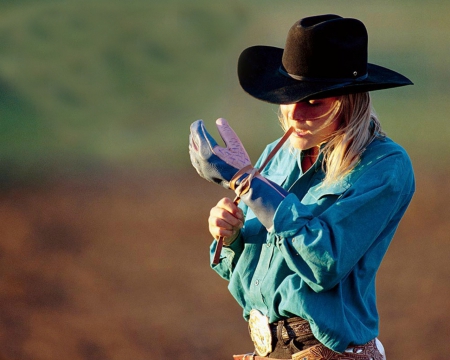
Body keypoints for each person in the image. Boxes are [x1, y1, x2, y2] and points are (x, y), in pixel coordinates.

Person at [189, 14, 414, 360]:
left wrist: (248, 183)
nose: (295, 114)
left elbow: (324, 262)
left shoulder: (385, 166)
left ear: (348, 100)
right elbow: (252, 279)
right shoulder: (273, 157)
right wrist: (230, 235)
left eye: (313, 100)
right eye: (289, 96)